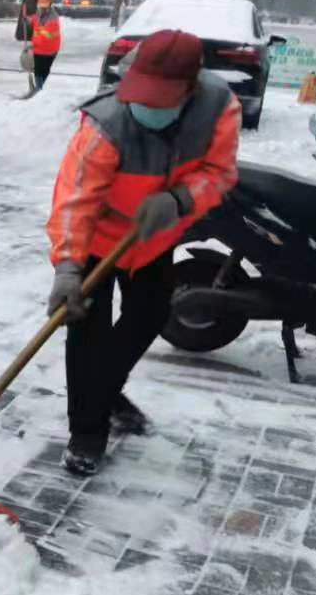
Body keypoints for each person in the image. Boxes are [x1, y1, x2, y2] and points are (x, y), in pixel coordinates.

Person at [47, 29, 241, 477]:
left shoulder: (217, 109)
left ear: (188, 90)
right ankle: (87, 432)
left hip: (153, 236)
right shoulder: (106, 124)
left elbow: (221, 172)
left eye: (160, 101)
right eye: (142, 97)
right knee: (86, 330)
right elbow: (75, 201)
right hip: (96, 238)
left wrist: (180, 199)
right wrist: (69, 269)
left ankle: (106, 390)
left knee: (150, 315)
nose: (147, 108)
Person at [29, 0, 62, 91]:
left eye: (44, 7)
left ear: (49, 5)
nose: (42, 9)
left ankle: (39, 86)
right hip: (39, 49)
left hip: (49, 49)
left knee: (44, 69)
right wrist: (28, 20)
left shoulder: (53, 19)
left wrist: (33, 44)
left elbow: (46, 35)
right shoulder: (39, 14)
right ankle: (39, 86)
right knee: (38, 69)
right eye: (41, 6)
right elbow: (35, 18)